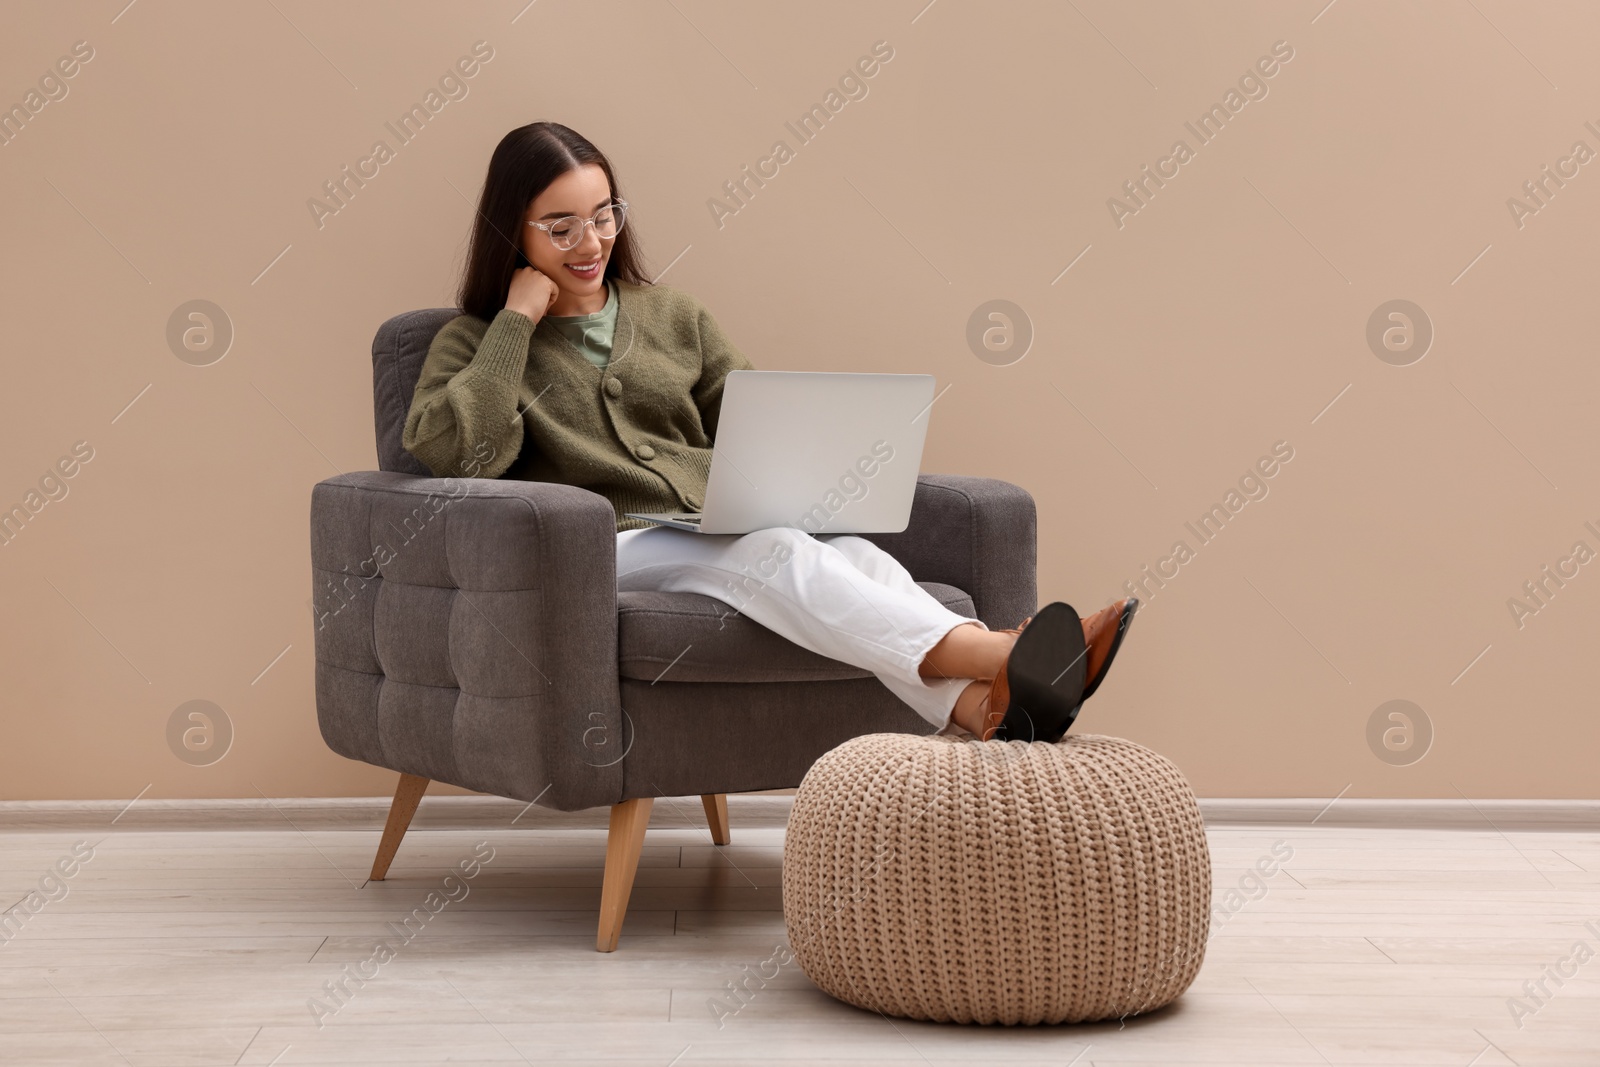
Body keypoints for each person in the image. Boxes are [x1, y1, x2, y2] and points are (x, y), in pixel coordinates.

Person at [402, 122, 1137, 743]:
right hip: (599, 552)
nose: (590, 242)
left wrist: (801, 477)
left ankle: (983, 708)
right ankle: (1002, 649)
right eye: (561, 228)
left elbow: (753, 418)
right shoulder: (476, 342)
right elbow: (455, 451)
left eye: (604, 215)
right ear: (513, 232)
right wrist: (516, 322)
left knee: (854, 555)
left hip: (700, 526)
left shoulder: (674, 316)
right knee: (770, 551)